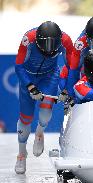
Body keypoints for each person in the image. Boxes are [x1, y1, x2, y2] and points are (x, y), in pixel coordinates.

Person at [14, 21, 73, 174]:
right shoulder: (28, 39)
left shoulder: (66, 41)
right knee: (26, 119)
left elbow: (72, 67)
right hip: (29, 77)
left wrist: (66, 89)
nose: (49, 51)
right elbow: (19, 66)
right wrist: (30, 86)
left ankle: (39, 132)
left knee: (45, 114)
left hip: (49, 76)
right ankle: (21, 154)